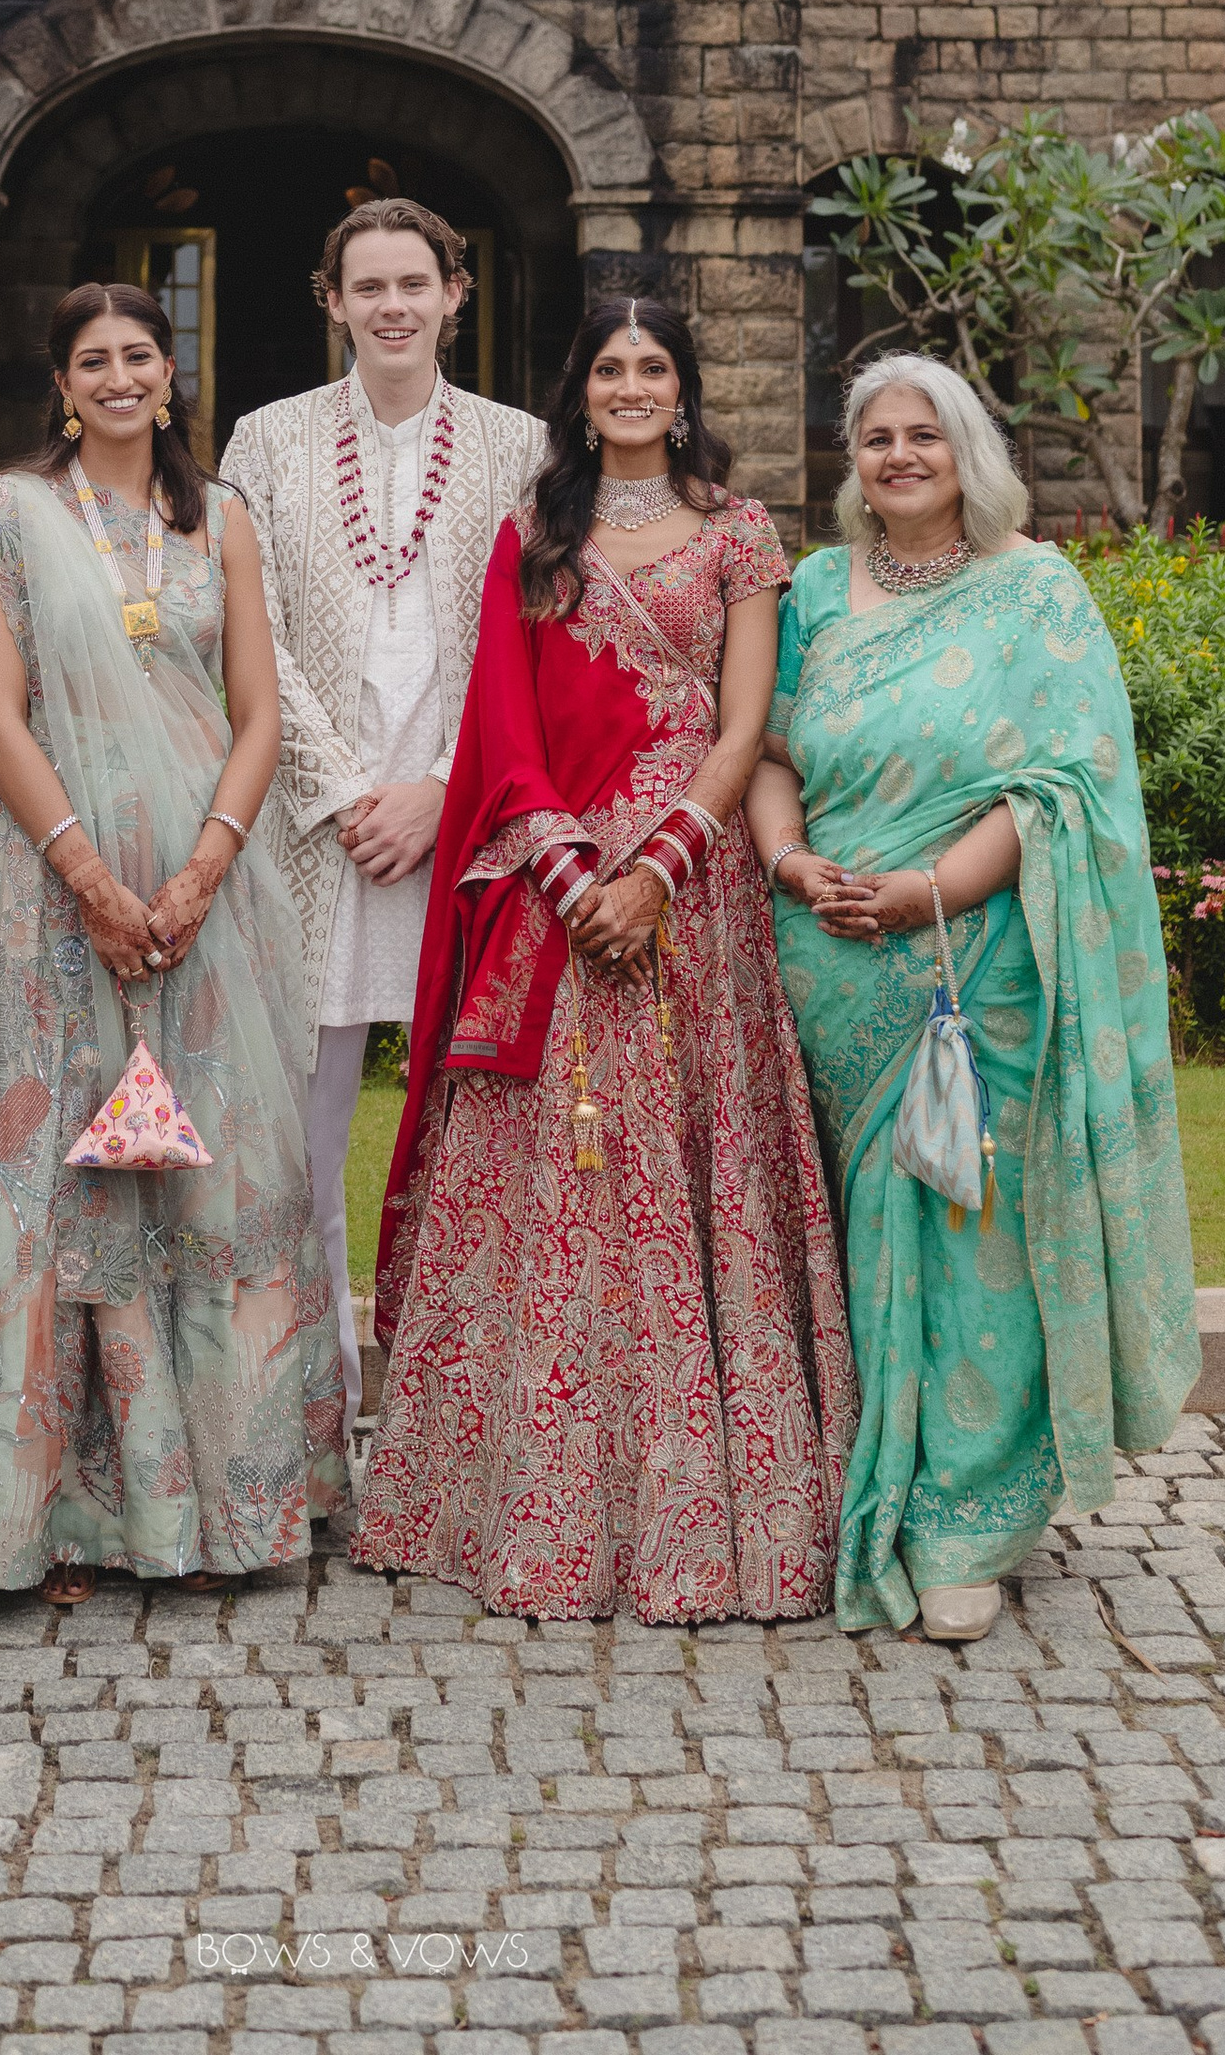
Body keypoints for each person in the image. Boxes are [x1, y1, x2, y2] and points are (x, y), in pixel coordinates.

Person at [357, 295, 856, 1623]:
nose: (632, 385)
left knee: (693, 1168)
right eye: (610, 368)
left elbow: (746, 725)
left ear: (683, 390)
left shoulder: (743, 531)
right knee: (566, 1179)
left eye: (655, 367)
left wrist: (659, 870)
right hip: (560, 894)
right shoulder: (533, 538)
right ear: (579, 393)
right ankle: (531, 1500)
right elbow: (504, 734)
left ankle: (717, 1502)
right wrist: (582, 878)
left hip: (698, 898)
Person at [749, 349, 1199, 1646]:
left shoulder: (1036, 594)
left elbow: (1067, 786)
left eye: (924, 437)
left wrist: (930, 890)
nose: (898, 456)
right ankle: (854, 1489)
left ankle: (963, 1520)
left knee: (975, 1229)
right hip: (827, 962)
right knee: (845, 1241)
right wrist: (789, 860)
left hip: (974, 962)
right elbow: (771, 754)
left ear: (968, 453)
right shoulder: (818, 591)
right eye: (877, 437)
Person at [0, 280, 348, 1602]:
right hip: (49, 896)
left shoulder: (223, 521)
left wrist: (206, 863)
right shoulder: (1, 517)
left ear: (170, 375)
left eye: (138, 355)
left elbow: (260, 711)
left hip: (210, 904)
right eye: (91, 359)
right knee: (57, 1189)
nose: (116, 376)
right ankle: (51, 1514)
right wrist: (92, 877)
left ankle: (228, 1506)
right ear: (60, 382)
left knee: (210, 1182)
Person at [222, 197, 545, 1438]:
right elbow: (245, 638)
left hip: (469, 823)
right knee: (298, 1135)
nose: (394, 306)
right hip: (315, 831)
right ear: (334, 300)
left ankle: (458, 1420)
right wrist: (350, 791)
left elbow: (532, 642)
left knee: (478, 1130)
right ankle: (305, 1418)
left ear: (455, 294)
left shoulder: (519, 446)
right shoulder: (266, 439)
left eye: (416, 282)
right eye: (370, 286)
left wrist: (439, 789)